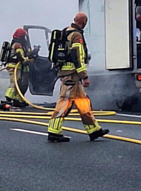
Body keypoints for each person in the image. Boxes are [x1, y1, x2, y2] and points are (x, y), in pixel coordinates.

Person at [46, 12, 109, 143]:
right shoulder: (76, 35)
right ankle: (54, 131)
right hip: (71, 75)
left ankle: (94, 130)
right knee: (64, 102)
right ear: (84, 22)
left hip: (68, 73)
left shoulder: (65, 32)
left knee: (83, 102)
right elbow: (77, 57)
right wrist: (84, 76)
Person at [0, 28, 33, 111]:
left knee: (19, 83)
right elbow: (20, 56)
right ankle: (9, 98)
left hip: (18, 67)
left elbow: (25, 53)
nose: (25, 38)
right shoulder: (17, 44)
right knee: (14, 82)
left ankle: (18, 99)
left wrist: (32, 52)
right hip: (13, 66)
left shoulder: (20, 44)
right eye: (24, 36)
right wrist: (27, 60)